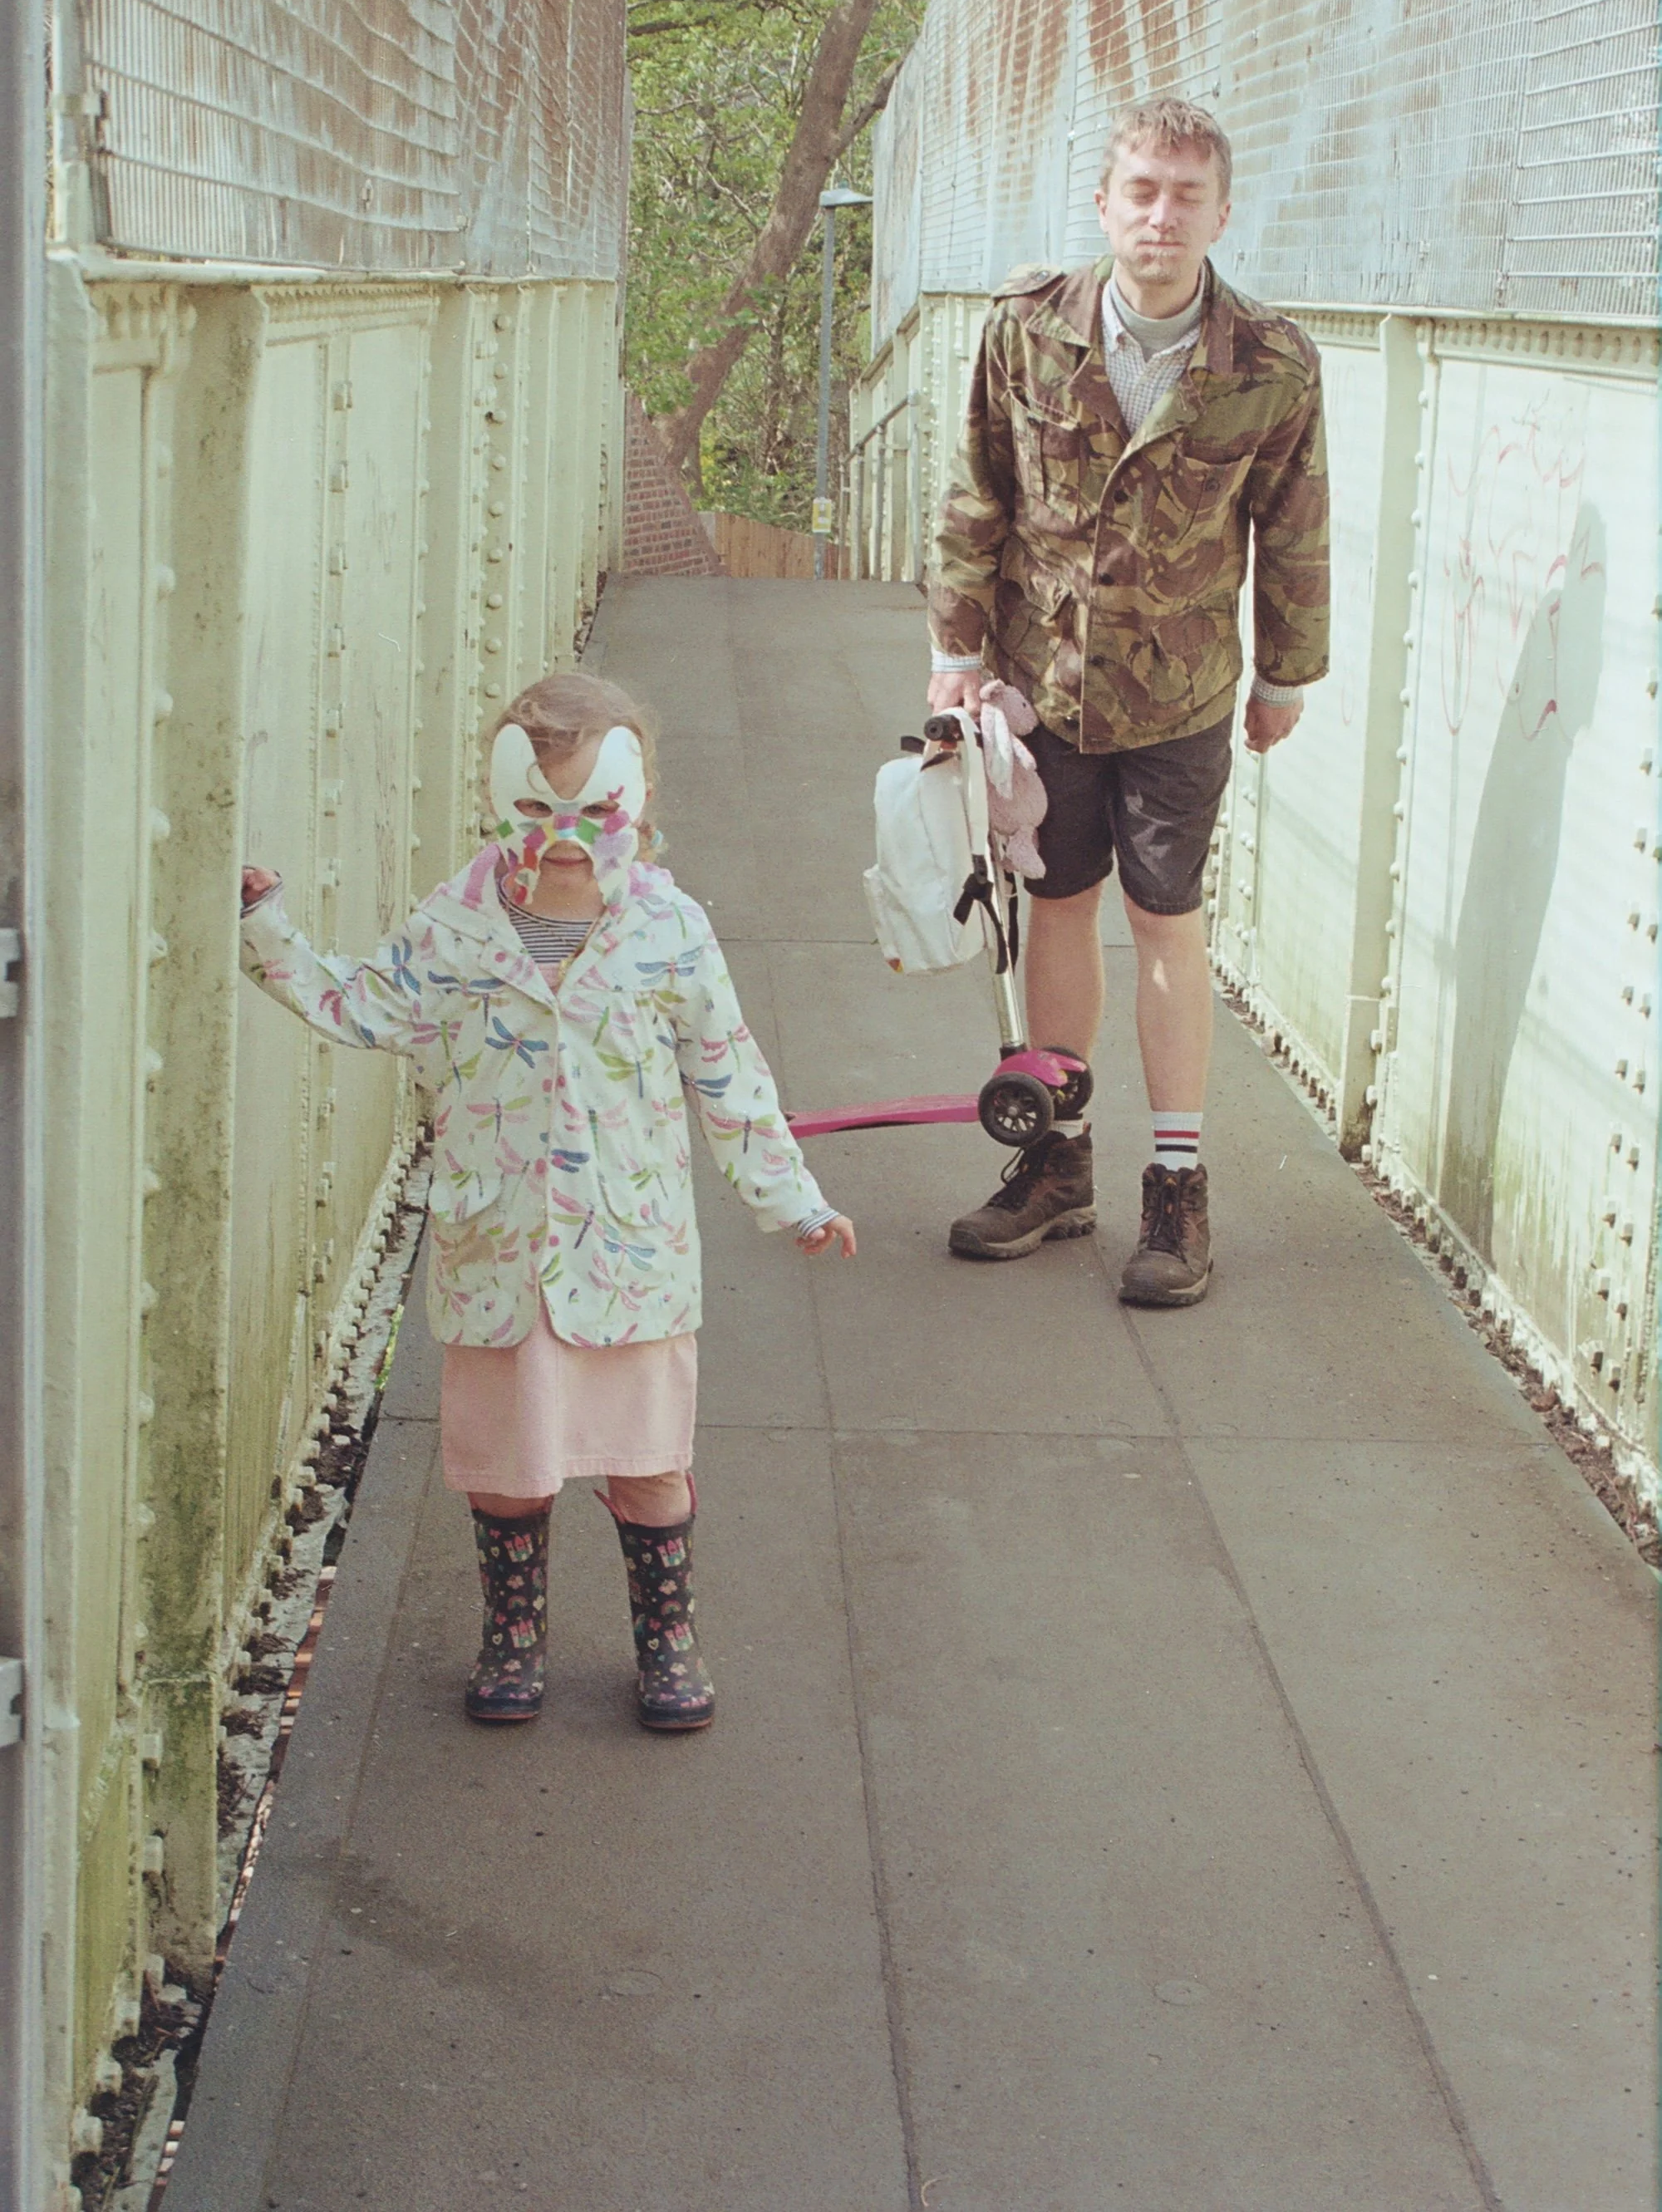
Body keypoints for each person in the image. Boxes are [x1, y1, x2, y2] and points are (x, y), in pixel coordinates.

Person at [238, 672, 855, 1733]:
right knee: (510, 1474)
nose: (562, 837)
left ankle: (667, 1640)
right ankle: (511, 1636)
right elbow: (362, 1006)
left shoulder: (668, 927)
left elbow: (726, 1073)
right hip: (501, 1248)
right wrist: (267, 929)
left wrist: (790, 1199)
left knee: (648, 1466)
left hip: (631, 1248)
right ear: (499, 802)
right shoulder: (456, 924)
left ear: (641, 802)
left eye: (593, 811)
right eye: (533, 810)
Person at [927, 94, 1329, 1305]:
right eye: (1141, 191)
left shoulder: (1270, 363)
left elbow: (1294, 527)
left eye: (1186, 196)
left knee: (1166, 919)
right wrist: (953, 651)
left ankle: (1178, 1186)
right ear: (1105, 204)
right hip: (1040, 683)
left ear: (1220, 211)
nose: (1161, 216)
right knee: (1056, 906)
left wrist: (1285, 674)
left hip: (1182, 694)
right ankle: (1057, 1164)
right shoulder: (1025, 332)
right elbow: (975, 494)